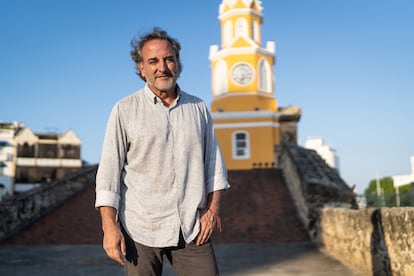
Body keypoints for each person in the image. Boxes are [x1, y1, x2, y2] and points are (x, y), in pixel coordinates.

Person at [95, 27, 230, 276]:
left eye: (169, 59)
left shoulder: (198, 108)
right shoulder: (124, 110)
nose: (163, 67)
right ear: (141, 68)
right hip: (141, 229)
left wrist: (212, 211)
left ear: (178, 63)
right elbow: (109, 172)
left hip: (192, 227)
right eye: (153, 61)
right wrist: (109, 227)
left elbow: (214, 164)